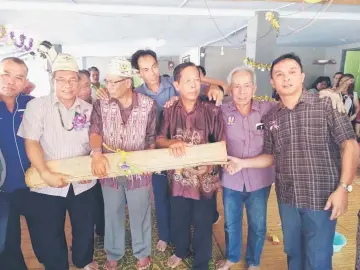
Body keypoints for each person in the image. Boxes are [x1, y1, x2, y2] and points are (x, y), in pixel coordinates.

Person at [226, 53, 358, 270]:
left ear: (302, 76)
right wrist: (242, 163)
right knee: (294, 255)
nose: (286, 78)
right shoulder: (272, 117)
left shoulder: (325, 105)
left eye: (292, 72)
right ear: (272, 82)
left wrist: (344, 188)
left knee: (318, 259)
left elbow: (350, 145)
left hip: (322, 197)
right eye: (279, 74)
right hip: (287, 197)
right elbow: (270, 156)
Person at [130, 49, 224, 252]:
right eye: (146, 69)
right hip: (155, 149)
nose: (152, 72)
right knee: (162, 195)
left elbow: (201, 86)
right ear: (139, 73)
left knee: (183, 197)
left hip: (182, 153)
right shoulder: (136, 94)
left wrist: (215, 87)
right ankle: (166, 236)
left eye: (154, 66)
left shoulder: (173, 84)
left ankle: (191, 237)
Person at [18, 53, 98, 270]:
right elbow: (31, 142)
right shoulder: (38, 106)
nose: (67, 85)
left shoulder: (89, 109)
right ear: (53, 81)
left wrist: (93, 161)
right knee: (50, 230)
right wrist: (45, 174)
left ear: (80, 82)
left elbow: (95, 140)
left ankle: (82, 261)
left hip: (83, 182)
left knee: (84, 227)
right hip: (48, 183)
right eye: (61, 79)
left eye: (73, 79)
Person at [156, 62, 225, 269]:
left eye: (197, 80)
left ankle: (201, 262)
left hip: (205, 181)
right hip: (177, 180)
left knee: (203, 223)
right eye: (188, 81)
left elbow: (221, 143)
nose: (194, 85)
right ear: (177, 84)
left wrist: (210, 165)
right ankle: (180, 251)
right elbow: (159, 139)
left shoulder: (211, 110)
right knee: (179, 219)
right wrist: (171, 143)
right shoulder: (168, 111)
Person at [89, 57, 155, 270]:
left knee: (140, 212)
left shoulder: (148, 105)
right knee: (112, 212)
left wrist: (145, 165)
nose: (108, 86)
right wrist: (97, 153)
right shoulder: (101, 104)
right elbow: (95, 131)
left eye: (113, 82)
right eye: (107, 81)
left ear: (128, 82)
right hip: (108, 168)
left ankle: (142, 252)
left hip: (139, 171)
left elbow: (151, 138)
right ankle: (114, 253)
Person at [216, 66, 275, 270]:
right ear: (230, 90)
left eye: (247, 86)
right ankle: (232, 257)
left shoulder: (268, 109)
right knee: (231, 223)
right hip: (231, 179)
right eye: (237, 86)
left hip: (260, 179)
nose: (242, 92)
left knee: (258, 225)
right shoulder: (221, 111)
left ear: (254, 88)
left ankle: (253, 261)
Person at [0, 57, 34, 270]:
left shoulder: (31, 104)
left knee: (46, 239)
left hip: (35, 186)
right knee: (7, 244)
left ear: (24, 83)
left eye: (18, 77)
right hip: (4, 191)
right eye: (5, 74)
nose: (11, 81)